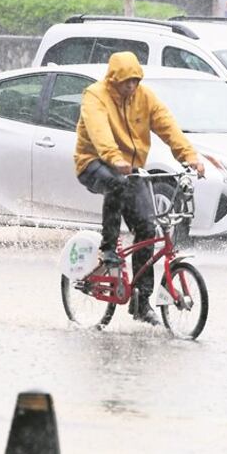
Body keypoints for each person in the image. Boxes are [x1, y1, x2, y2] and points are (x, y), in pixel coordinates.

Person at [74, 51, 205, 325]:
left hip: (130, 169)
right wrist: (114, 158)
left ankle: (141, 302)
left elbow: (167, 125)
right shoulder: (95, 96)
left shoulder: (145, 97)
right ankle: (108, 247)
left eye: (135, 81)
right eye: (125, 82)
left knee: (147, 227)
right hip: (94, 162)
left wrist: (189, 156)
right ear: (113, 80)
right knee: (116, 184)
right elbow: (99, 132)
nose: (131, 86)